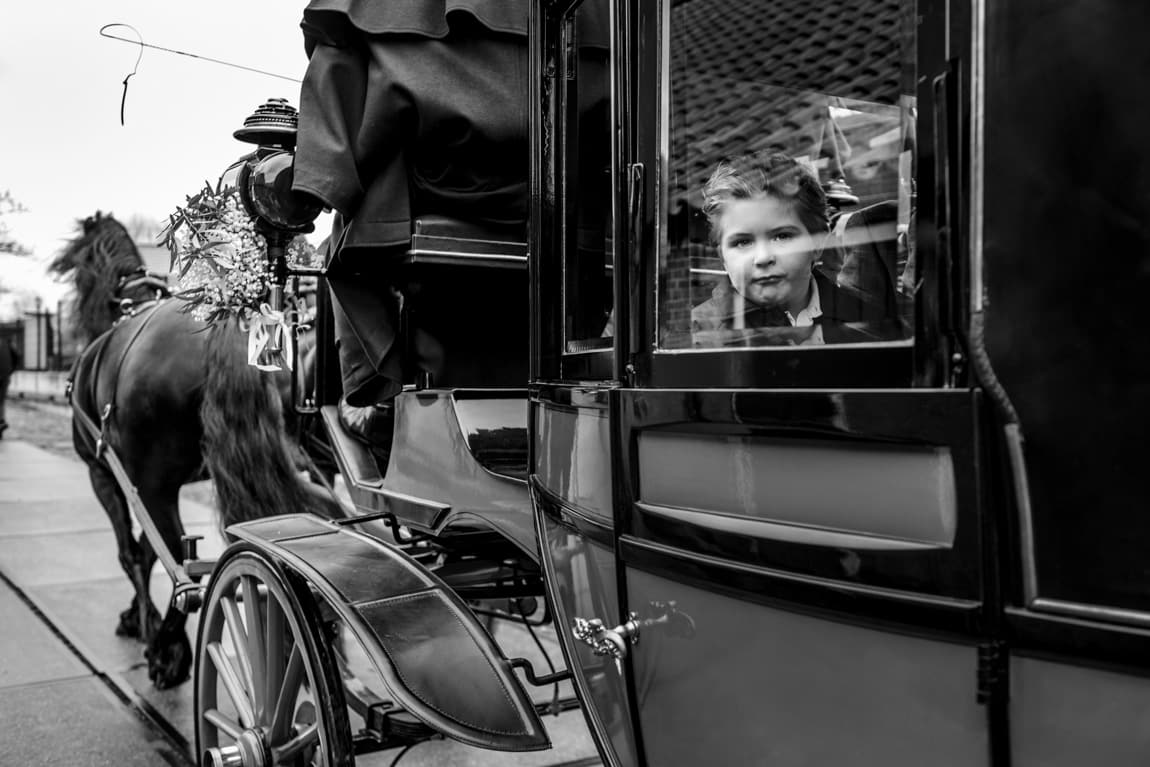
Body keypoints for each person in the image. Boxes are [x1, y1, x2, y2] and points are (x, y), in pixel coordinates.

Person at [290, 0, 535, 456]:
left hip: (428, 206)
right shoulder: (598, 21)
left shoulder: (385, 9)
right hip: (561, 216)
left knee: (341, 244)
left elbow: (339, 111)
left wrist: (318, 189)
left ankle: (379, 392)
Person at [691, 153, 902, 346]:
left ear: (818, 243)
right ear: (722, 257)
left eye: (782, 236)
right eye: (742, 242)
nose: (763, 258)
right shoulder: (697, 334)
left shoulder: (869, 323)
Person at [0, 339, 18, 439]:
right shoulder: (6, 344)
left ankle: (1, 422)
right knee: (1, 401)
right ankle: (1, 421)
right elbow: (16, 358)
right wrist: (10, 371)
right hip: (4, 376)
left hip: (4, 376)